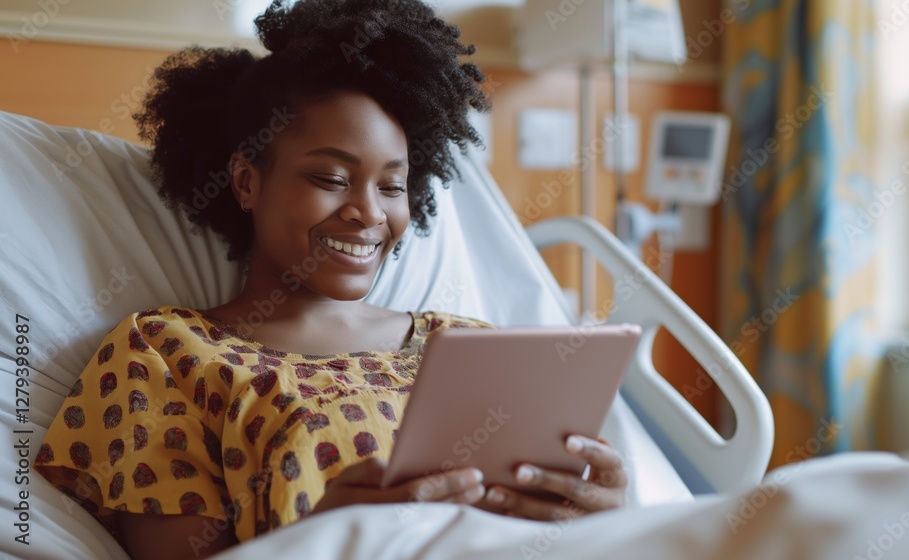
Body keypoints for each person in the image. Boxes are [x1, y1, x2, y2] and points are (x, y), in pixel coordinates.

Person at [33, 1, 628, 558]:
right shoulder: (165, 355)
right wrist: (322, 537)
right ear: (246, 181)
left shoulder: (471, 344)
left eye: (392, 186)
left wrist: (602, 518)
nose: (369, 213)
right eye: (331, 179)